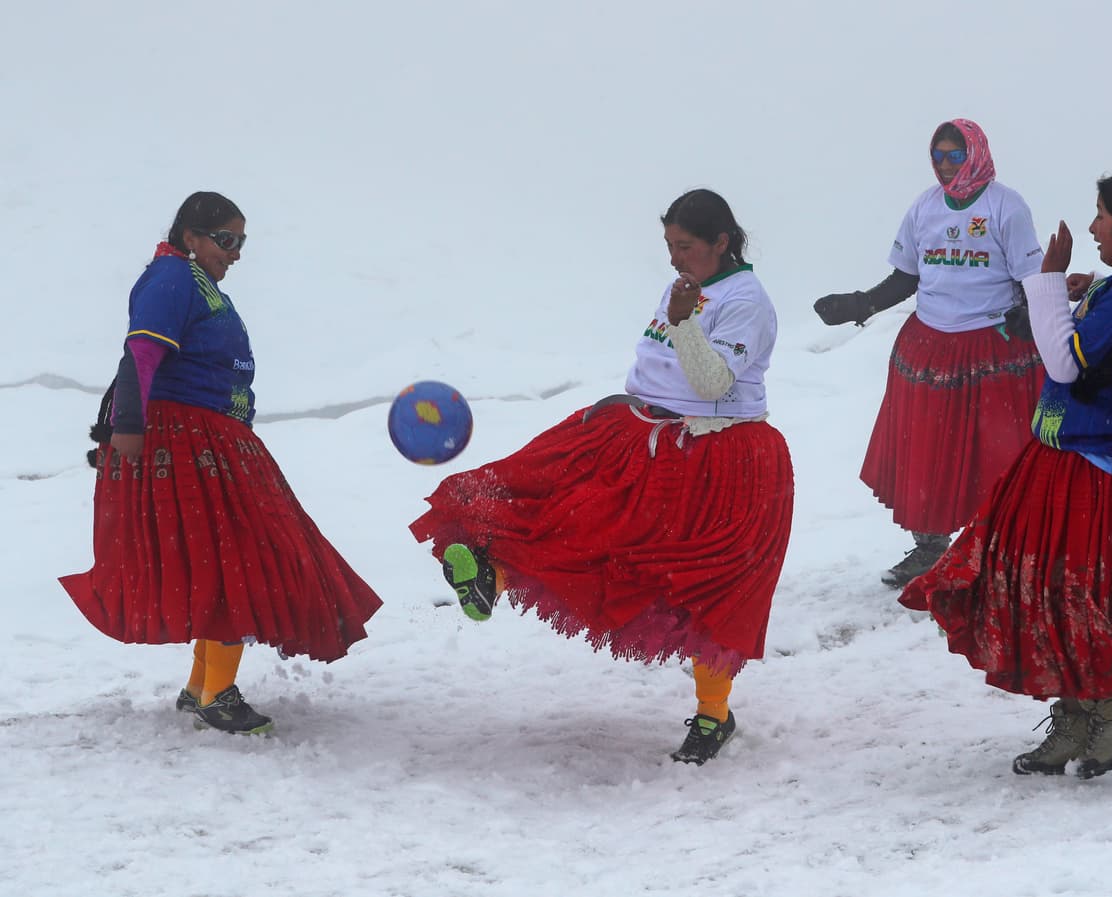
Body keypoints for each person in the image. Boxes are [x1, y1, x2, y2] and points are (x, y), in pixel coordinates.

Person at [409, 188, 794, 765]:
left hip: (722, 456)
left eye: (684, 246)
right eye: (668, 245)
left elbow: (712, 382)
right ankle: (493, 575)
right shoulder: (683, 288)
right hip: (648, 431)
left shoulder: (748, 301)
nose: (673, 259)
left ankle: (715, 715)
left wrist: (685, 324)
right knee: (567, 510)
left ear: (721, 242)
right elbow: (659, 358)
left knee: (708, 587)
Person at [901, 170, 1112, 779]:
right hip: (1078, 453)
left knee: (1076, 592)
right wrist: (1087, 295)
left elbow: (1065, 364)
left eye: (1102, 215)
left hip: (1109, 463)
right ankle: (1078, 716)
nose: (1094, 225)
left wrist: (1047, 282)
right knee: (1050, 586)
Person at [60, 191, 383, 735]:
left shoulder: (192, 283)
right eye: (226, 240)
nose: (235, 254)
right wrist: (129, 431)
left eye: (241, 243)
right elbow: (140, 352)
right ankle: (217, 694)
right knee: (241, 554)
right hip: (187, 439)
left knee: (223, 560)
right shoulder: (172, 278)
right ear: (191, 236)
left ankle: (201, 686)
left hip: (211, 438)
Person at [814, 118, 1045, 588]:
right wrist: (862, 303)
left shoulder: (1007, 207)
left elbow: (1030, 279)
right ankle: (931, 549)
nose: (943, 165)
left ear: (975, 154)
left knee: (996, 451)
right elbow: (906, 276)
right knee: (928, 450)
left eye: (954, 155)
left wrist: (1027, 313)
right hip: (930, 348)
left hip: (991, 348)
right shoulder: (924, 208)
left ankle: (1000, 548)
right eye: (936, 156)